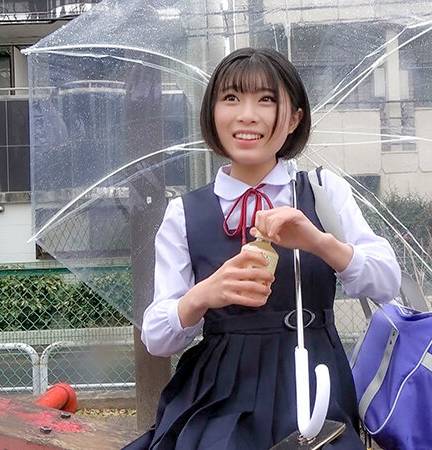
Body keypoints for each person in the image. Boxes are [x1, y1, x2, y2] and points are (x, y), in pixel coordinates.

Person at [125, 47, 401, 450]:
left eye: (266, 99)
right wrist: (205, 293)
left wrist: (319, 242)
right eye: (231, 98)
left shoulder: (322, 192)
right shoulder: (184, 213)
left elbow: (387, 281)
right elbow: (157, 338)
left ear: (294, 118)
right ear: (212, 113)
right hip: (219, 393)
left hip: (313, 382)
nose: (247, 115)